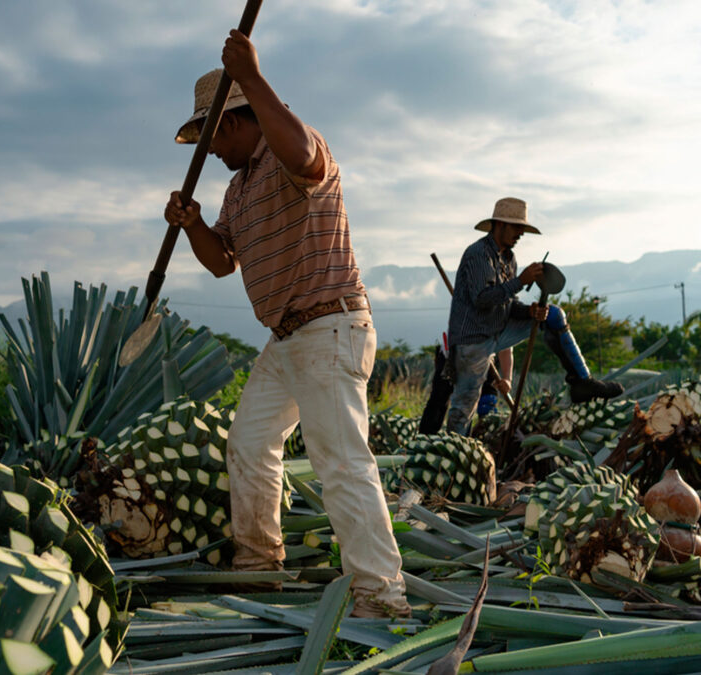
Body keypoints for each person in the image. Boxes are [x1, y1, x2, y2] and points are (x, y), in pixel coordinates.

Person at [163, 30, 410, 618]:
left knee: (341, 462)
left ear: (231, 122)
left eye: (210, 135)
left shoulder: (294, 149)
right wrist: (193, 223)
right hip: (286, 338)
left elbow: (302, 154)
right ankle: (258, 567)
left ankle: (381, 595)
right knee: (249, 444)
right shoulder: (237, 189)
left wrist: (251, 76)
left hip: (329, 327)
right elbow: (222, 262)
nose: (209, 151)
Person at [441, 197, 623, 436]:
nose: (520, 234)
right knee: (465, 405)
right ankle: (455, 448)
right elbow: (482, 299)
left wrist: (528, 312)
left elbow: (507, 303)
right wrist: (521, 281)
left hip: (498, 331)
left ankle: (582, 382)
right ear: (500, 225)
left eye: (522, 229)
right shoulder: (478, 254)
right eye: (516, 228)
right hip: (473, 339)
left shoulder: (508, 258)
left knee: (553, 315)